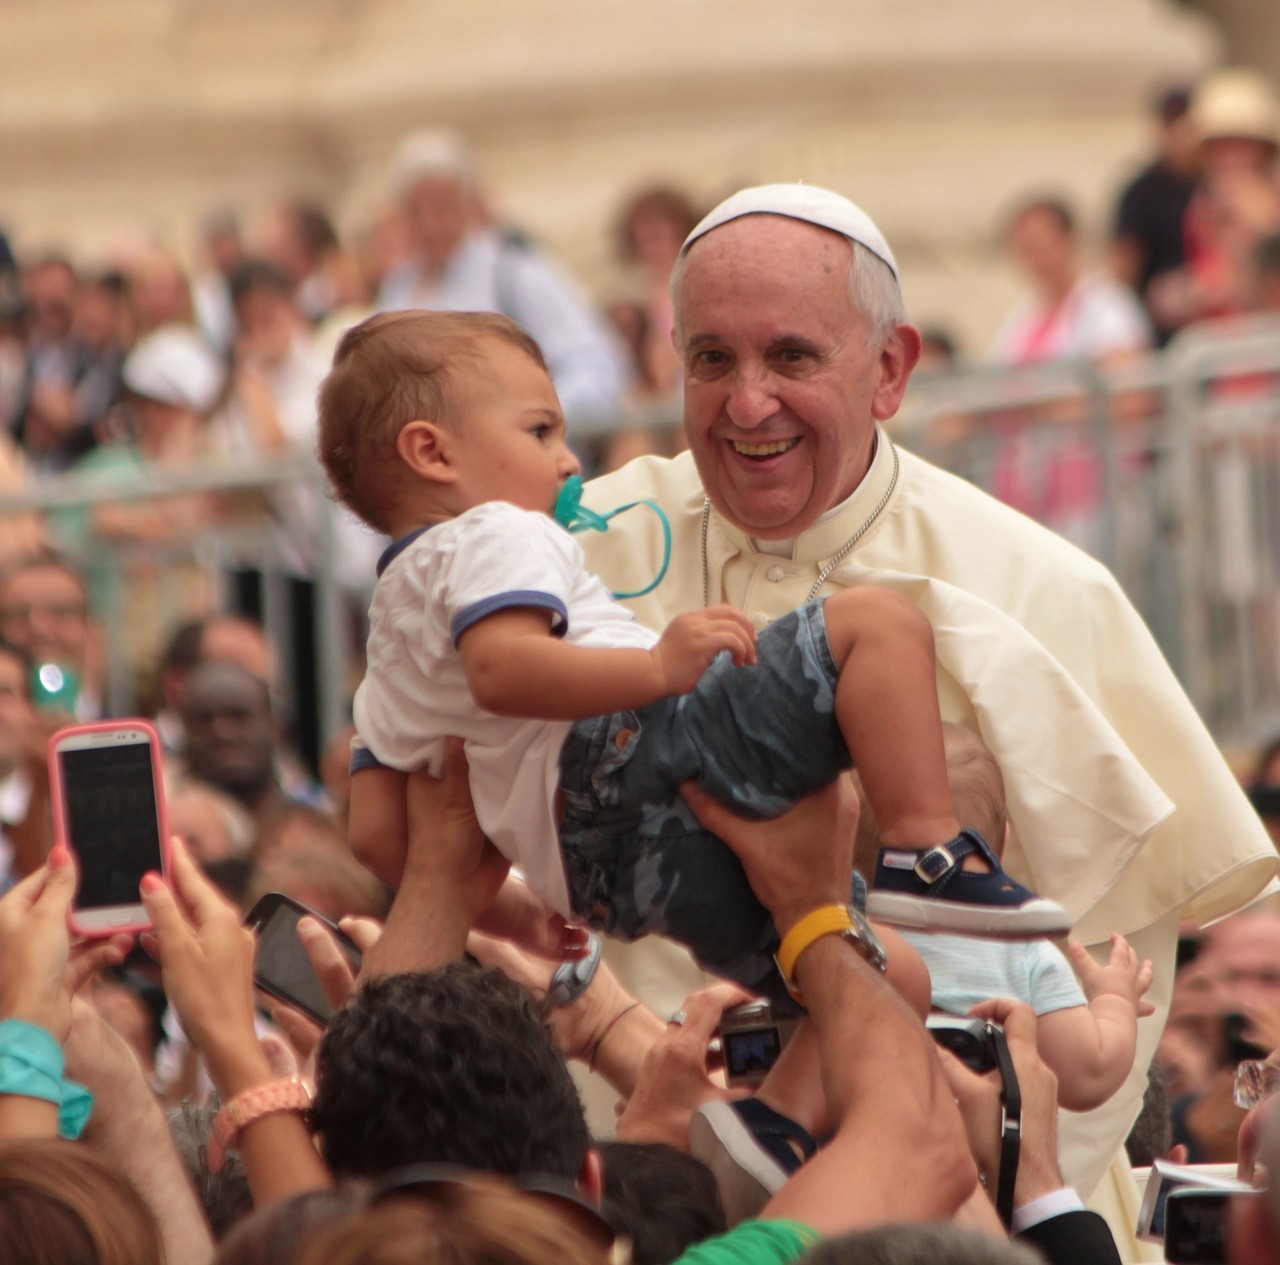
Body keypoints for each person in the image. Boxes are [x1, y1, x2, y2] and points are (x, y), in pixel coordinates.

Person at [321, 309, 1069, 1000]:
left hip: (604, 879)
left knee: (871, 972)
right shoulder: (495, 531)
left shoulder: (387, 631)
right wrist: (655, 669)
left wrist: (517, 913)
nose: (567, 460)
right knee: (875, 624)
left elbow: (377, 835)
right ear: (431, 451)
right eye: (540, 431)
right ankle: (927, 855)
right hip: (633, 753)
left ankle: (768, 1117)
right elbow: (501, 668)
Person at [852, 724, 1155, 1112]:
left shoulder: (845, 945)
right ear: (1000, 846)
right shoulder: (1020, 952)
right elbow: (1089, 1075)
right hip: (990, 1161)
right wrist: (1114, 1000)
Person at [375, 130, 629, 430]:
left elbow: (596, 369)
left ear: (467, 206)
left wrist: (521, 423)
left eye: (443, 207)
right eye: (417, 210)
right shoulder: (398, 288)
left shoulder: (516, 273)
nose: (431, 225)